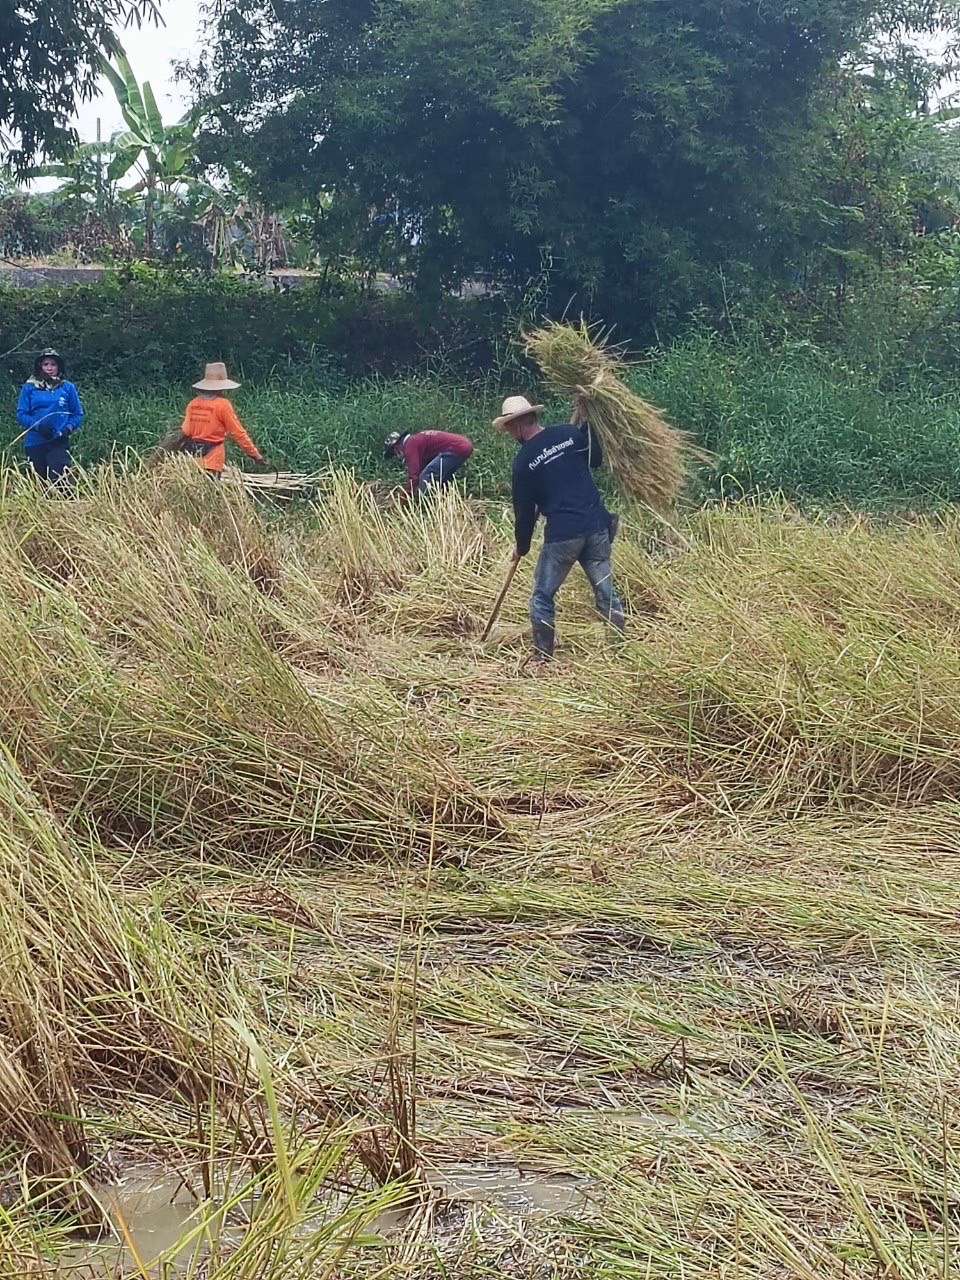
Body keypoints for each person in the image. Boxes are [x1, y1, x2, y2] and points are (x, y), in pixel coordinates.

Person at [493, 394, 625, 660]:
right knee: (605, 592)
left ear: (517, 425)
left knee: (542, 596)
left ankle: (543, 657)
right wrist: (587, 425)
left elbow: (524, 513)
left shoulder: (523, 463)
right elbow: (595, 459)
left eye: (508, 428)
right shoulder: (568, 433)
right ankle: (620, 647)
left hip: (564, 537)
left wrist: (522, 547)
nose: (509, 433)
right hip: (597, 527)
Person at [179, 362, 265, 478]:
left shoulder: (193, 404)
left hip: (193, 460)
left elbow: (186, 431)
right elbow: (238, 433)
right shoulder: (223, 405)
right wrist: (255, 454)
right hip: (213, 461)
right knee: (210, 493)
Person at [16, 348, 83, 488]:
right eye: (46, 364)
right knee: (40, 484)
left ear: (59, 367)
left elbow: (77, 414)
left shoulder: (67, 387)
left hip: (58, 440)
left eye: (53, 364)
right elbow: (21, 414)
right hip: (35, 441)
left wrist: (67, 429)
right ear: (40, 366)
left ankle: (66, 507)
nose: (49, 368)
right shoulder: (29, 387)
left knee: (61, 480)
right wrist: (38, 426)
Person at [384, 429, 473, 496]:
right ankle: (445, 499)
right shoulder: (416, 440)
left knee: (427, 475)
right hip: (463, 445)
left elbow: (414, 476)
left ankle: (426, 504)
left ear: (396, 446)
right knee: (441, 477)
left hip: (456, 448)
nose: (396, 455)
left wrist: (404, 496)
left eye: (393, 453)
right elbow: (421, 467)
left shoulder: (409, 446)